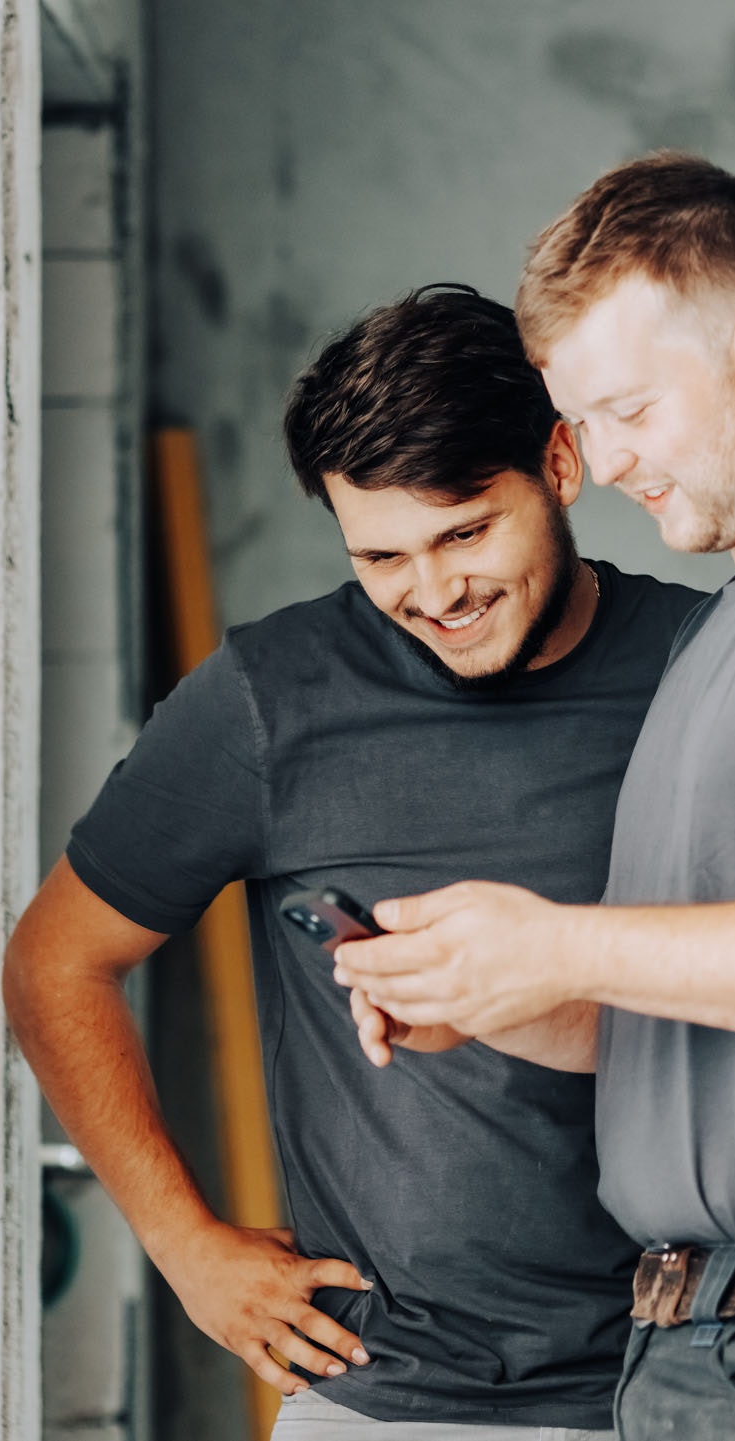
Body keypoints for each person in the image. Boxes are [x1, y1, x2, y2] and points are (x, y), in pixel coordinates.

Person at [3, 284, 701, 1439]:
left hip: (678, 1382)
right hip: (383, 1396)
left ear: (560, 466)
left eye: (467, 531)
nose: (434, 594)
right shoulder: (270, 701)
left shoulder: (698, 670)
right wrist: (189, 1249)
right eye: (383, 556)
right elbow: (53, 963)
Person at [331, 156, 735, 1440]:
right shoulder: (715, 638)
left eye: (627, 407)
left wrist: (555, 939)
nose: (601, 462)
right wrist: (514, 1000)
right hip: (677, 1342)